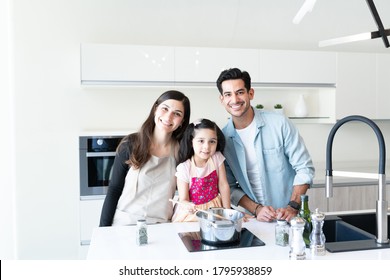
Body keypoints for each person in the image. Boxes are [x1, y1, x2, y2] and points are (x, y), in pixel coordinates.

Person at [216, 68, 315, 222]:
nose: (235, 100)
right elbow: (230, 187)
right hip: (256, 220)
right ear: (222, 99)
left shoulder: (279, 124)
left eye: (240, 92)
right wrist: (257, 208)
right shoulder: (223, 140)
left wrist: (293, 206)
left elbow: (304, 168)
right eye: (228, 94)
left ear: (251, 93)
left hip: (291, 216)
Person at [99, 90, 191, 226]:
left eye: (177, 114)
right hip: (125, 224)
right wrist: (103, 230)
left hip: (162, 226)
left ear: (182, 121)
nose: (168, 117)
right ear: (155, 109)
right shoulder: (131, 144)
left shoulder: (182, 152)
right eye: (165, 109)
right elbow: (114, 190)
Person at [172, 118, 231, 222]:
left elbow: (223, 185)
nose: (207, 147)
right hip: (194, 213)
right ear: (191, 142)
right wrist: (187, 205)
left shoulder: (217, 157)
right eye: (201, 141)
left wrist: (228, 212)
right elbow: (183, 199)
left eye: (212, 141)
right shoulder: (184, 168)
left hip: (215, 208)